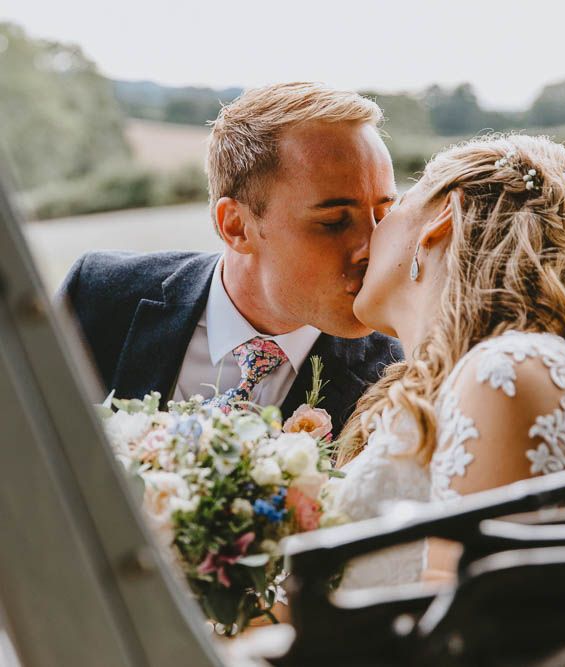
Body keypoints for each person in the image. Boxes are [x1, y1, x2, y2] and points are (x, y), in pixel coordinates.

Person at [323, 133, 565, 588]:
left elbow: (466, 624)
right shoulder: (457, 377)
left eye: (392, 210)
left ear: (441, 219)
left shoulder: (508, 371)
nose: (369, 238)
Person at [57, 83, 402, 437]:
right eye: (334, 222)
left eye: (385, 213)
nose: (373, 247)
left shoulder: (400, 379)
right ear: (236, 226)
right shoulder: (98, 298)